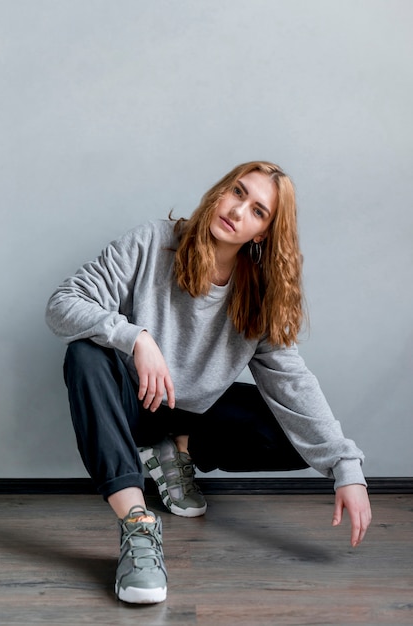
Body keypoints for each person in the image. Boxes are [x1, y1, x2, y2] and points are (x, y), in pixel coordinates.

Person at [45, 160, 372, 605]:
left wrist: (346, 470)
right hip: (129, 402)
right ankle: (137, 524)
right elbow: (63, 303)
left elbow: (293, 383)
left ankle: (177, 451)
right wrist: (135, 337)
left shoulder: (257, 291)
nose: (238, 211)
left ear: (262, 233)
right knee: (84, 354)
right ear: (221, 191)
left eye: (258, 211)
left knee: (298, 433)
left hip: (192, 411)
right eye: (238, 192)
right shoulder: (153, 242)